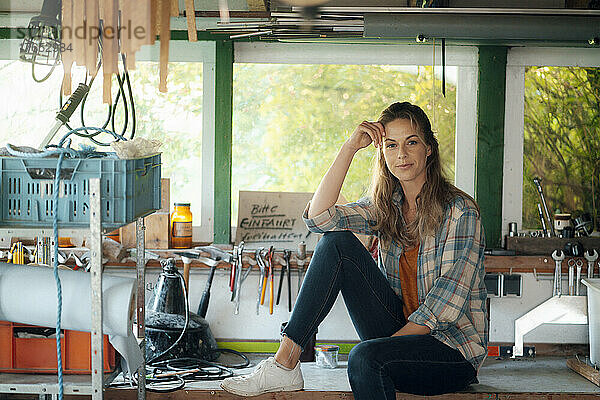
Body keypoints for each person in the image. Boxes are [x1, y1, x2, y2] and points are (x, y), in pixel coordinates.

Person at [221, 101, 488, 398]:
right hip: (398, 336)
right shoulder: (386, 205)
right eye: (390, 145)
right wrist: (349, 148)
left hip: (450, 352)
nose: (401, 154)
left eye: (412, 143)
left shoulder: (461, 212)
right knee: (338, 243)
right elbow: (319, 218)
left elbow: (440, 309)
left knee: (363, 357)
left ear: (428, 149)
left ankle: (349, 358)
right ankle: (284, 364)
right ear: (382, 152)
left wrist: (383, 351)